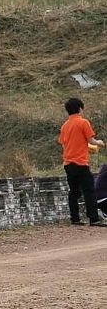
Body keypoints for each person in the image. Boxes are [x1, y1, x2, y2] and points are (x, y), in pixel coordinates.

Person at [59, 97, 106, 226]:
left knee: (73, 192)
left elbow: (64, 145)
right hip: (80, 162)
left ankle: (75, 219)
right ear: (80, 108)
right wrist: (99, 143)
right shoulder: (83, 122)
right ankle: (93, 218)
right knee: (89, 190)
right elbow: (91, 141)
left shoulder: (65, 126)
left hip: (68, 163)